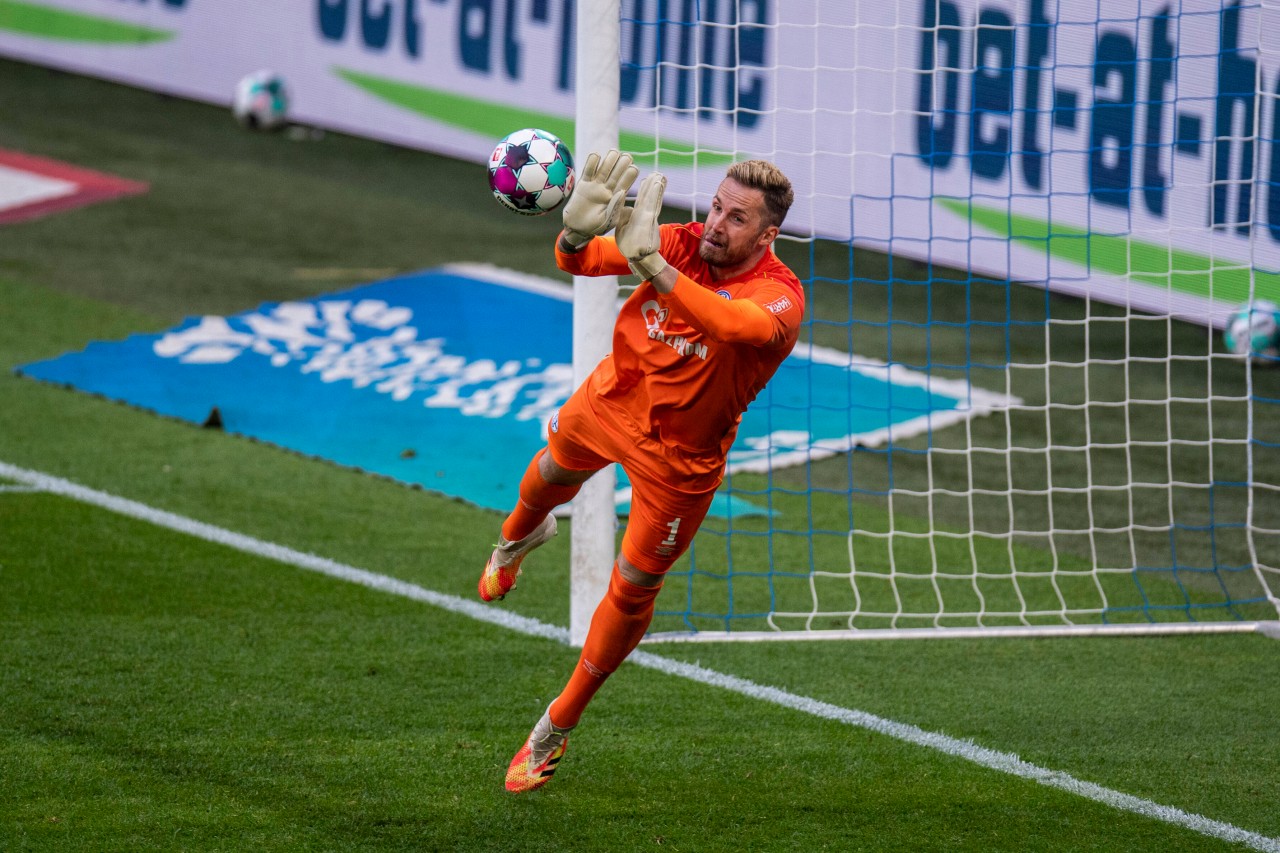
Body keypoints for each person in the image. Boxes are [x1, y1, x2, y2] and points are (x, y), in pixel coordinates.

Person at [478, 149, 803, 793]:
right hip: (613, 399)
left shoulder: (780, 296)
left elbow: (732, 326)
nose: (715, 224)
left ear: (767, 236)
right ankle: (516, 538)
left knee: (631, 587)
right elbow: (576, 262)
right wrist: (574, 231)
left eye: (736, 219)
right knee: (550, 474)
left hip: (680, 460)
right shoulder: (679, 240)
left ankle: (554, 725)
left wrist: (652, 265)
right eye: (715, 206)